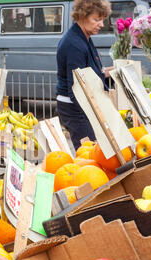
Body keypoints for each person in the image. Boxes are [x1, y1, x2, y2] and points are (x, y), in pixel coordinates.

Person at [55, 0, 113, 150]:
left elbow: (93, 72)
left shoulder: (84, 37)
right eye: (96, 19)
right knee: (89, 152)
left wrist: (115, 70)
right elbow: (76, 87)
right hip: (75, 108)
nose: (101, 24)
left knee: (94, 150)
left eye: (102, 20)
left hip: (82, 104)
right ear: (82, 16)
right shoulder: (74, 44)